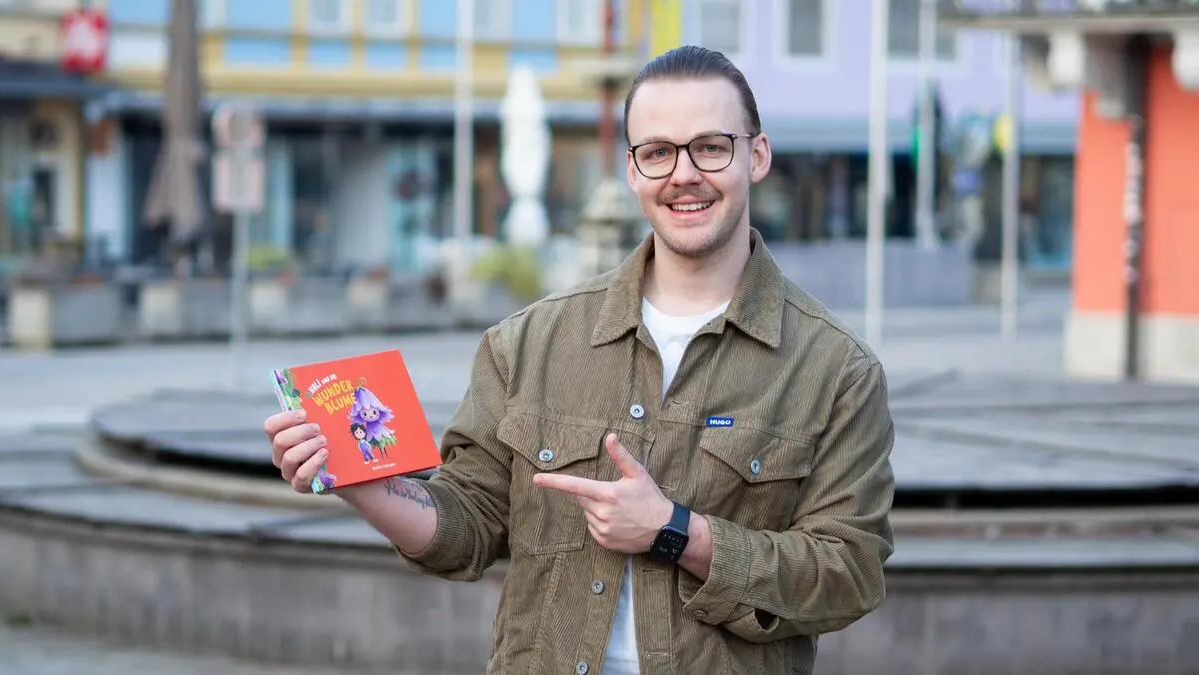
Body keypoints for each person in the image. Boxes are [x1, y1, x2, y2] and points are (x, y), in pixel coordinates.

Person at [265, 45, 896, 675]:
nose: (683, 174)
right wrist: (365, 483)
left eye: (711, 147)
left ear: (756, 156)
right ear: (632, 170)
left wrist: (675, 531)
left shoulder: (837, 370)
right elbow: (468, 527)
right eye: (658, 152)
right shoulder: (527, 342)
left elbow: (850, 572)